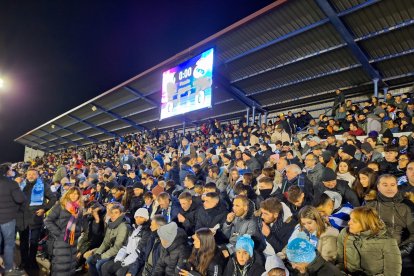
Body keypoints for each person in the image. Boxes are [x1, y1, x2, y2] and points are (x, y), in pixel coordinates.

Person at [337, 206, 402, 275]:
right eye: (350, 219)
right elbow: (339, 262)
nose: (349, 223)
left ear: (366, 223)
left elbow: (392, 273)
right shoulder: (345, 234)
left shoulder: (388, 242)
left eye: (354, 221)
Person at [17, 167, 57, 272]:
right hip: (22, 218)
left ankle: (32, 261)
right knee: (23, 242)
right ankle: (24, 262)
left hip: (36, 218)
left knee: (34, 242)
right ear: (26, 175)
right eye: (29, 174)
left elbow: (53, 198)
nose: (31, 176)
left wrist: (44, 209)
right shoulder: (21, 185)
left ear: (37, 175)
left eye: (33, 174)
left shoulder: (43, 185)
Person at [366, 174, 414, 257]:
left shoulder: (407, 205)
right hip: (373, 253)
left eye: (393, 185)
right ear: (378, 186)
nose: (389, 188)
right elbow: (362, 230)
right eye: (385, 185)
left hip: (402, 253)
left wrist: (398, 253)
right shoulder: (369, 205)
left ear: (397, 186)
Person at [101, 208, 152, 276]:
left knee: (120, 272)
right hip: (126, 256)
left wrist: (124, 262)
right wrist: (119, 259)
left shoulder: (147, 231)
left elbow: (139, 251)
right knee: (105, 267)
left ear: (146, 218)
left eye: (141, 217)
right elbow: (125, 246)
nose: (138, 219)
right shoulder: (133, 228)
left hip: (135, 260)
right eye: (136, 217)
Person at [44, 187, 83, 276]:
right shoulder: (60, 205)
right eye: (72, 193)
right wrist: (59, 234)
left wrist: (78, 233)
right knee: (60, 268)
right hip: (61, 242)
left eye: (76, 194)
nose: (74, 195)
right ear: (68, 194)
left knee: (70, 268)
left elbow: (79, 224)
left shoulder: (79, 209)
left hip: (73, 243)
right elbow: (48, 220)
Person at [86, 203, 129, 276]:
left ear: (121, 214)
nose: (113, 215)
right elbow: (105, 242)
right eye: (112, 213)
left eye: (116, 213)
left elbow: (117, 247)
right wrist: (98, 253)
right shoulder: (111, 224)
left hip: (119, 254)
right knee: (90, 260)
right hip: (110, 251)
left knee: (99, 264)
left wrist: (102, 256)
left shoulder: (123, 226)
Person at [0, 163, 25, 273]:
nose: (13, 171)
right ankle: (9, 269)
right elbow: (20, 199)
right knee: (9, 244)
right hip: (7, 219)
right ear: (7, 171)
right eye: (11, 169)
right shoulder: (12, 183)